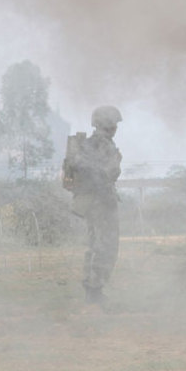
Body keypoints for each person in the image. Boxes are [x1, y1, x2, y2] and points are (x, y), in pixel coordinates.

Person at [64, 105, 123, 304]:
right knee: (106, 246)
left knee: (94, 244)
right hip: (102, 202)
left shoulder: (87, 145)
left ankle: (91, 288)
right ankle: (95, 290)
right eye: (114, 123)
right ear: (109, 124)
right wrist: (115, 164)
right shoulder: (104, 145)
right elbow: (108, 173)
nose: (116, 127)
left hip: (91, 202)